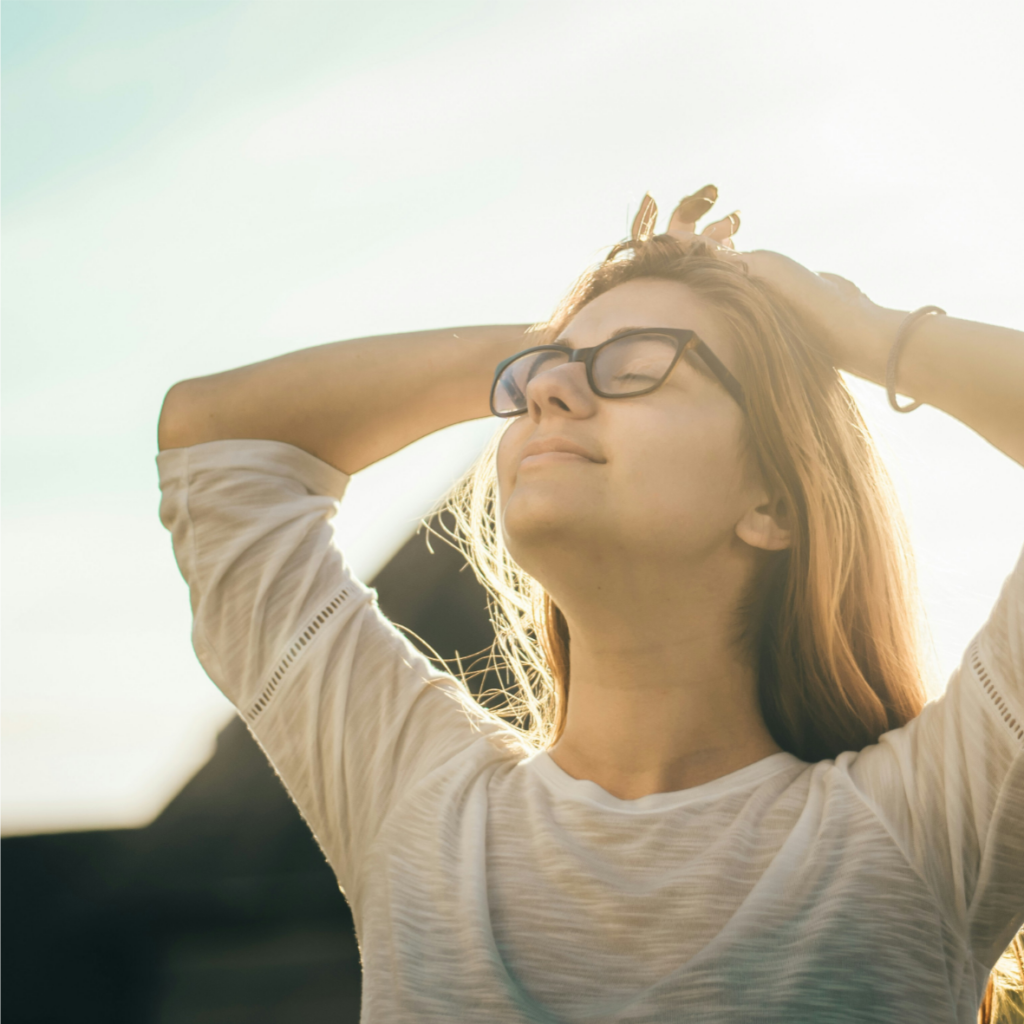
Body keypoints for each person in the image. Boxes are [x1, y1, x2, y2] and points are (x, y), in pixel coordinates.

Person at [157, 185, 1024, 1022]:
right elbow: (217, 435)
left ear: (777, 504)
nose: (545, 391)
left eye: (639, 370)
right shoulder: (418, 803)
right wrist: (571, 333)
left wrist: (866, 334)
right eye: (535, 377)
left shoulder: (928, 826)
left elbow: (225, 448)